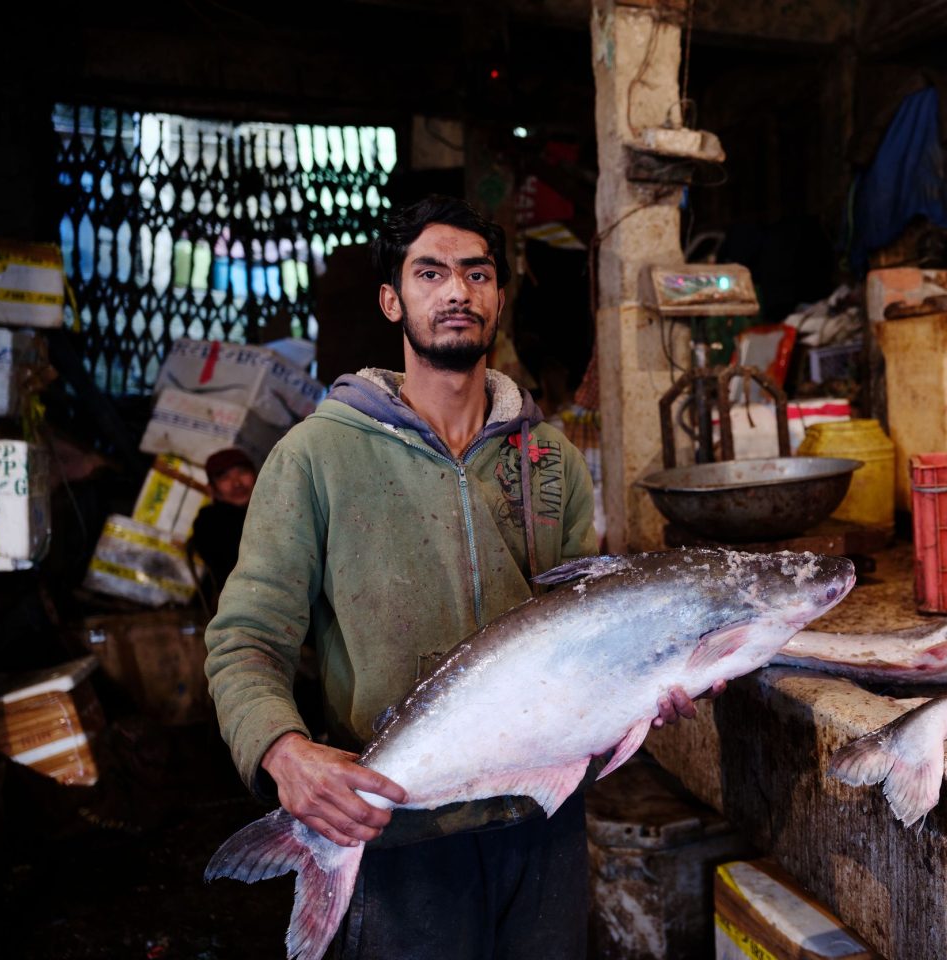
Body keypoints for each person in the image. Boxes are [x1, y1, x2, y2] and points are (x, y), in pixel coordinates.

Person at [203, 194, 716, 959]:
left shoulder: (551, 461)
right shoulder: (316, 457)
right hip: (401, 833)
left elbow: (584, 632)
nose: (456, 292)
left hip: (543, 828)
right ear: (391, 299)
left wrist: (650, 686)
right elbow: (244, 640)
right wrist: (282, 749)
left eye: (477, 274)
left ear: (499, 295)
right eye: (430, 273)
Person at [189, 447, 258, 591]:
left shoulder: (277, 507)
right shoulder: (210, 523)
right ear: (211, 489)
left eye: (242, 472)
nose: (237, 483)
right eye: (224, 478)